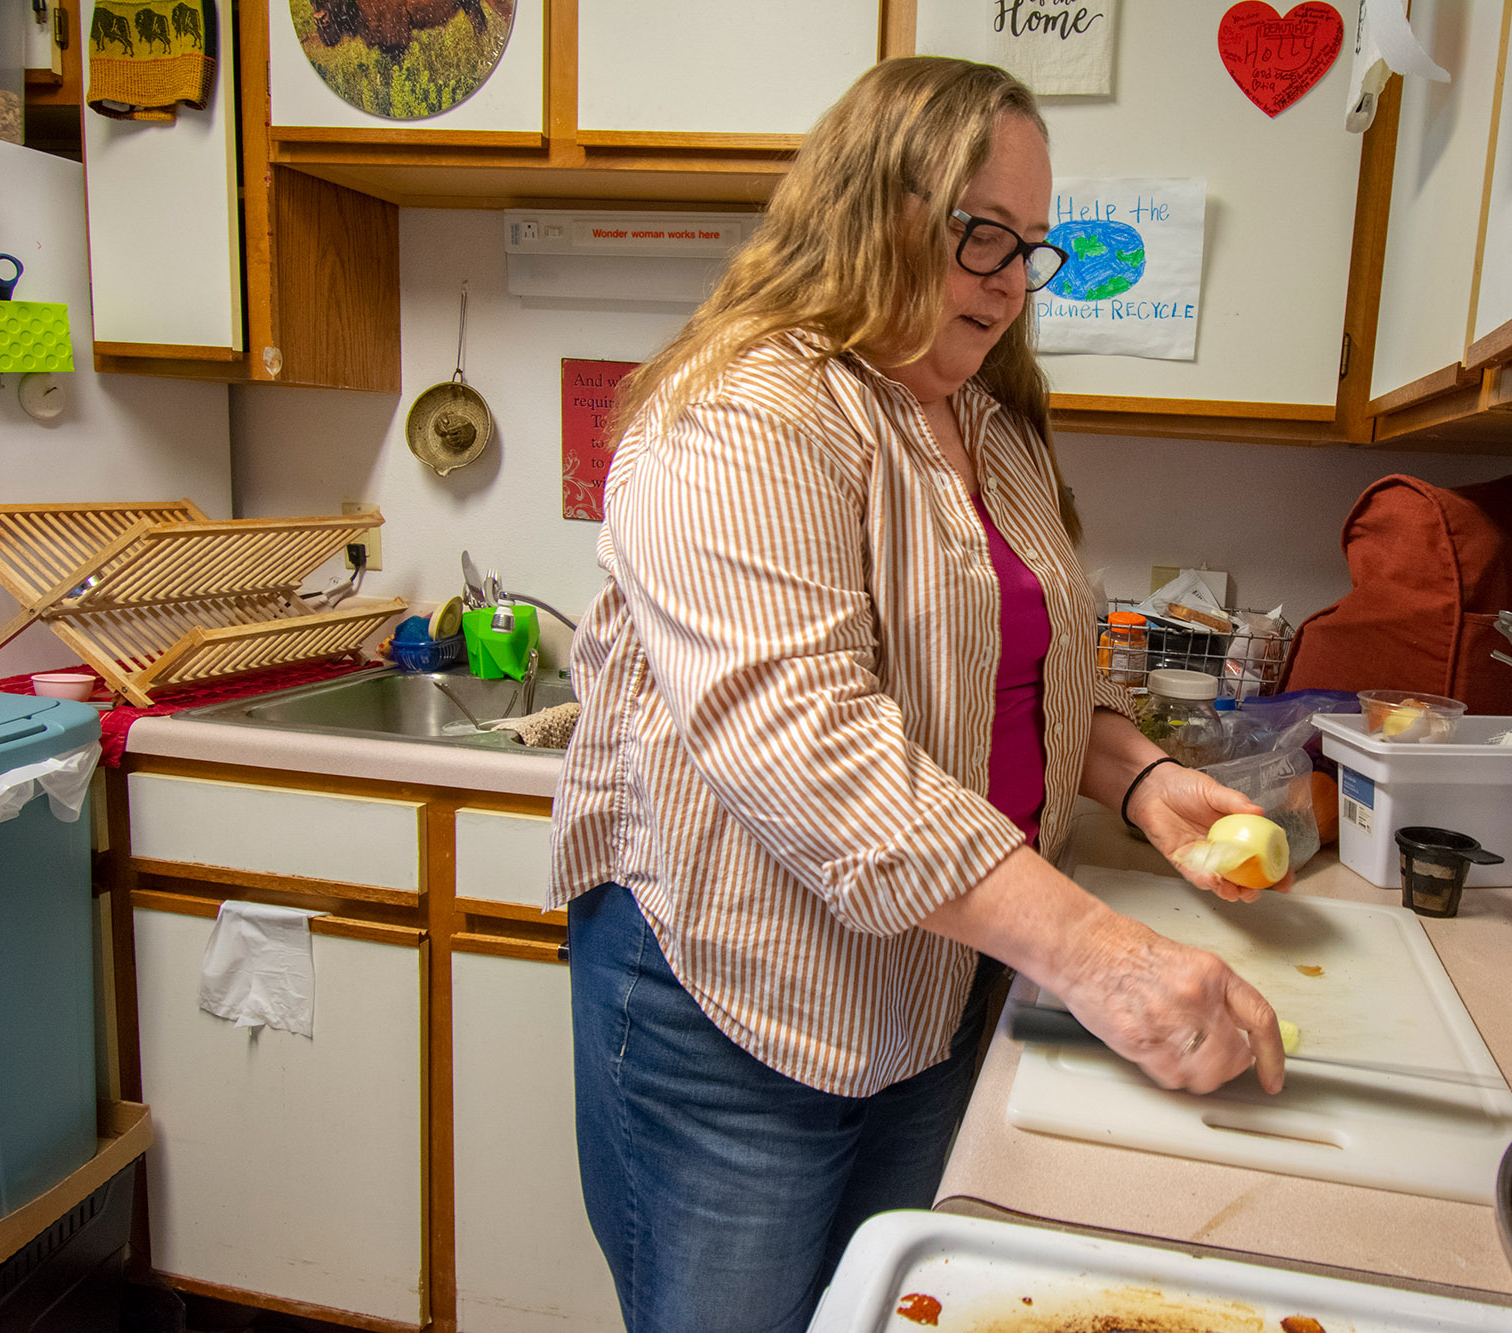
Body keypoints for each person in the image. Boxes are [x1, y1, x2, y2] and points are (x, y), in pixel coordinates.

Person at [549, 55, 1291, 1333]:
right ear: (863, 207)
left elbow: (1030, 673)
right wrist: (1103, 959)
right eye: (978, 231)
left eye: (1029, 246)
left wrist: (1140, 777)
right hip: (742, 1005)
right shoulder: (741, 412)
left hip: (938, 978)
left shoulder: (986, 424)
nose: (1008, 279)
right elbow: (807, 744)